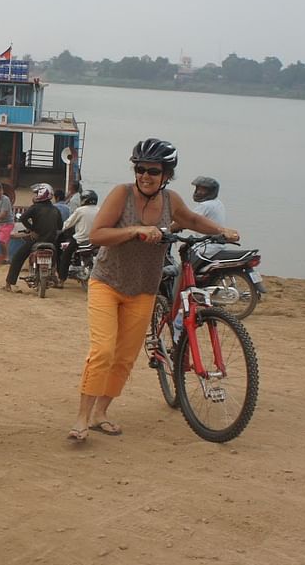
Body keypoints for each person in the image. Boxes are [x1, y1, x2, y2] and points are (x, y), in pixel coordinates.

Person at [69, 139, 238, 441]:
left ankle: (100, 413)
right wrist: (134, 230)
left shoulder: (171, 201)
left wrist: (221, 230)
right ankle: (82, 417)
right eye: (140, 169)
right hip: (107, 283)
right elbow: (98, 234)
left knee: (125, 357)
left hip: (144, 289)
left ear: (167, 175)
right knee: (103, 351)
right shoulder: (122, 195)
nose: (145, 176)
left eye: (153, 171)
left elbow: (194, 220)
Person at [3, 184, 63, 292]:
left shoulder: (35, 207)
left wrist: (32, 230)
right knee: (58, 257)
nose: (35, 196)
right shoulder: (56, 210)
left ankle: (9, 283)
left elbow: (23, 218)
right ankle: (55, 278)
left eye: (36, 193)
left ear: (41, 194)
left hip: (37, 240)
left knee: (18, 257)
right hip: (51, 241)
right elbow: (60, 226)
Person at [57, 190, 100, 285]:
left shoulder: (80, 210)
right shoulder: (100, 210)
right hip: (96, 240)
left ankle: (61, 280)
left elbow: (68, 223)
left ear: (84, 200)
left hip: (80, 239)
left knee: (65, 256)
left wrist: (61, 228)